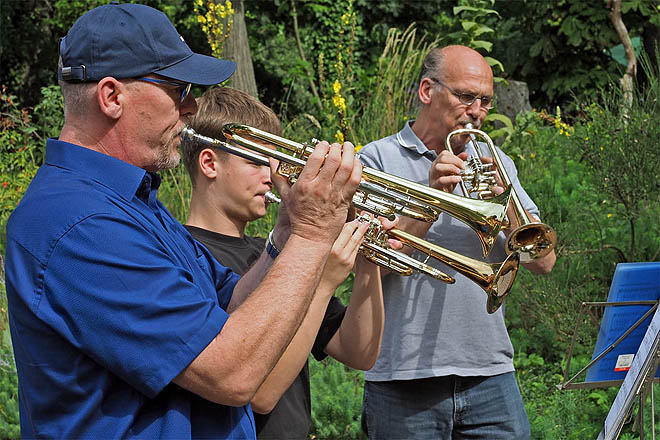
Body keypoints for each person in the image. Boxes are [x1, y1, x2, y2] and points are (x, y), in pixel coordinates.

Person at [3, 3, 363, 439]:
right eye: (179, 89)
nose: (192, 106)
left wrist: (286, 232)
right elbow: (232, 374)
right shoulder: (78, 222)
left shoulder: (130, 200)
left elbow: (231, 305)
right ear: (112, 96)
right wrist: (311, 234)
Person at [357, 45, 557, 439]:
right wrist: (429, 198)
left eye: (485, 100)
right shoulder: (375, 159)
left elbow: (543, 262)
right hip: (404, 377)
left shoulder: (495, 160)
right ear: (427, 90)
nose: (478, 111)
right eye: (466, 96)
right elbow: (372, 261)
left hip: (490, 373)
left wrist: (507, 209)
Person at [181, 87, 385, 439]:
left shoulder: (275, 252)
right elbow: (259, 394)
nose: (272, 176)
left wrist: (369, 254)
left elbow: (359, 352)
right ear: (210, 163)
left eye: (274, 163)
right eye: (257, 161)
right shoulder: (183, 256)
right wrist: (323, 284)